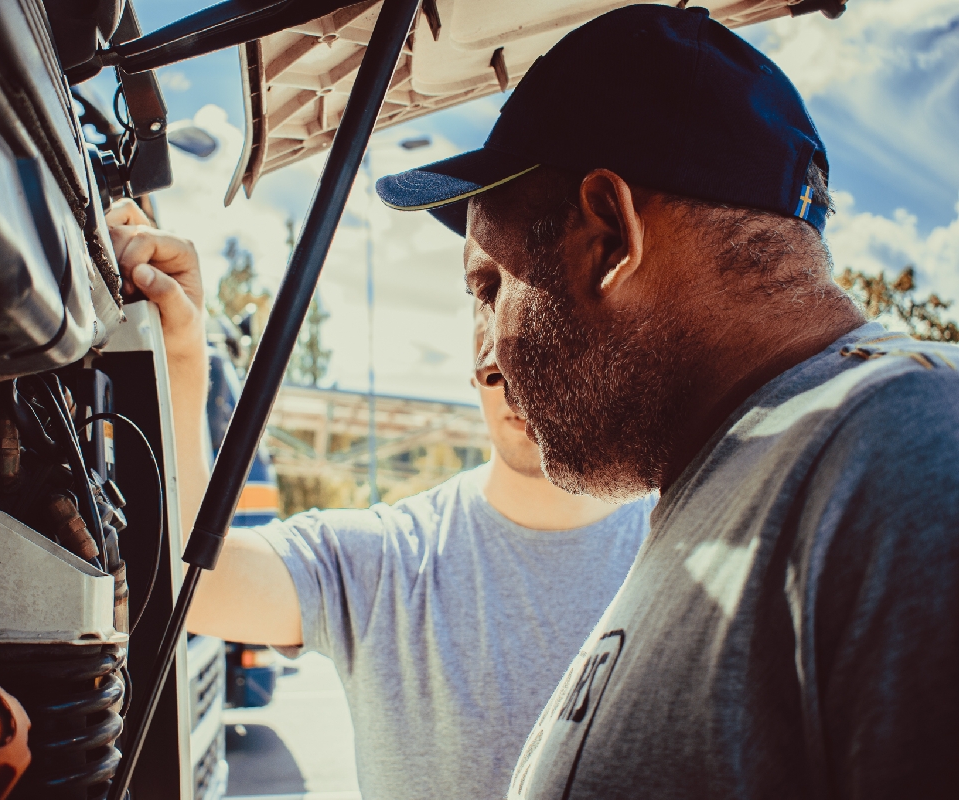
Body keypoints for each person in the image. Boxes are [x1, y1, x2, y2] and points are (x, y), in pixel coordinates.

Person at [375, 4, 959, 798]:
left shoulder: (912, 457)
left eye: (491, 286)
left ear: (609, 237)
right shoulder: (762, 473)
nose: (487, 357)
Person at [104, 200, 655, 800]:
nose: (514, 365)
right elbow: (199, 582)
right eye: (488, 292)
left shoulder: (684, 553)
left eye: (547, 307)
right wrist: (182, 354)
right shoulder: (393, 558)